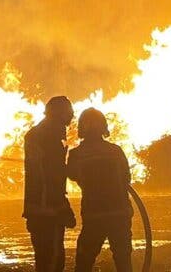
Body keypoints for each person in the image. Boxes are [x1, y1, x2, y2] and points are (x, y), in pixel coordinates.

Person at [66, 108, 133, 272]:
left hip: (94, 217)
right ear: (103, 127)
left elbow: (72, 175)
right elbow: (126, 179)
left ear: (81, 128)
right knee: (123, 261)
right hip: (120, 214)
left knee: (84, 262)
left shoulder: (77, 154)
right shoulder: (115, 151)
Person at [23, 95, 76, 272]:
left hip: (36, 210)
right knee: (53, 262)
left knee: (44, 260)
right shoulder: (50, 139)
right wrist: (62, 207)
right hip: (48, 212)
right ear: (59, 114)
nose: (71, 118)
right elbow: (50, 178)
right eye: (69, 114)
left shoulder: (37, 135)